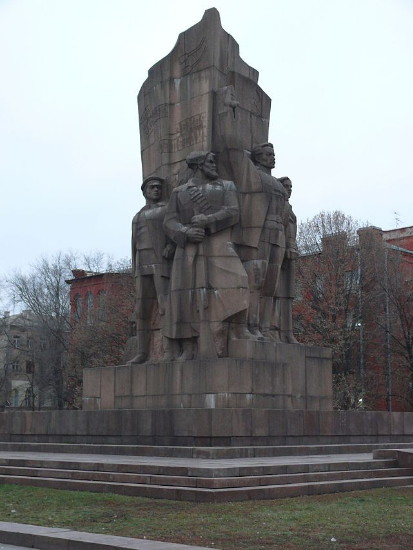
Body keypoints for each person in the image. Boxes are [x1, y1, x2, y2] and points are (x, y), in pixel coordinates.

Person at [162, 151, 253, 359]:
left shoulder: (226, 186)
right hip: (188, 249)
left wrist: (208, 220)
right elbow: (169, 221)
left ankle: (236, 330)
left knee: (239, 281)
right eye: (210, 162)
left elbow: (233, 212)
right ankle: (188, 346)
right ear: (199, 165)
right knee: (185, 297)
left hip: (219, 246)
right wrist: (185, 232)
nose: (214, 166)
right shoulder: (179, 192)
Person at [128, 176, 175, 364]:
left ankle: (170, 349)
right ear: (145, 191)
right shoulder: (137, 215)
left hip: (160, 262)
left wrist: (170, 246)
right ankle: (142, 352)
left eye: (158, 187)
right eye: (152, 187)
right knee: (142, 310)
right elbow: (134, 244)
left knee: (165, 306)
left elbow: (174, 230)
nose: (156, 190)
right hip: (142, 265)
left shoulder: (166, 210)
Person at [276, 177, 299, 343]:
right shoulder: (277, 205)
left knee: (288, 295)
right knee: (277, 294)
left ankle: (288, 333)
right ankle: (277, 331)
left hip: (291, 253)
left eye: (291, 186)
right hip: (279, 252)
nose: (289, 189)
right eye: (286, 186)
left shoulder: (289, 208)